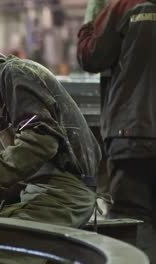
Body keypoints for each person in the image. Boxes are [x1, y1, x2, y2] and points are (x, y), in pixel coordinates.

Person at [0, 49, 101, 264]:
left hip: (63, 194)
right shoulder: (13, 103)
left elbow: (40, 144)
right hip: (49, 189)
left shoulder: (14, 72)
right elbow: (28, 164)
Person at [77, 0, 156, 261]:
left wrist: (92, 20)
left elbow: (91, 56)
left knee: (135, 222)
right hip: (134, 133)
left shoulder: (126, 6)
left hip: (134, 135)